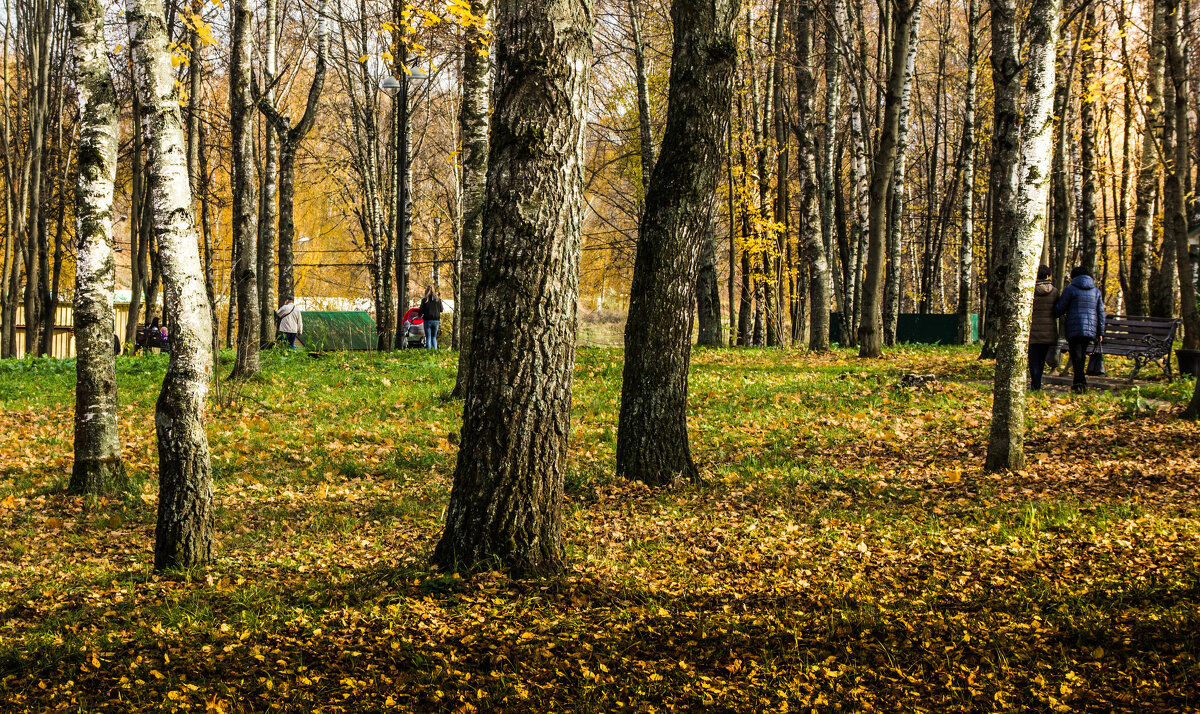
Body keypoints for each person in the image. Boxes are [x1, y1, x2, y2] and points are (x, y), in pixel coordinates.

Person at [1054, 266, 1106, 393]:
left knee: (1076, 355)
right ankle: (1079, 383)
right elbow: (1101, 313)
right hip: (1091, 329)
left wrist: (1054, 311)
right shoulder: (1096, 291)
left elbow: (1060, 308)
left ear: (1073, 277)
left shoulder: (1070, 289)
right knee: (1080, 355)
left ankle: (1080, 383)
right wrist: (1100, 332)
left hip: (1074, 327)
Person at [1028, 266, 1059, 391]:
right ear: (1048, 276)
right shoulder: (1054, 291)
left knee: (1033, 359)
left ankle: (1035, 384)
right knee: (1042, 359)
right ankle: (1038, 382)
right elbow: (1057, 310)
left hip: (1032, 330)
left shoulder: (1029, 291)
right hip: (1049, 331)